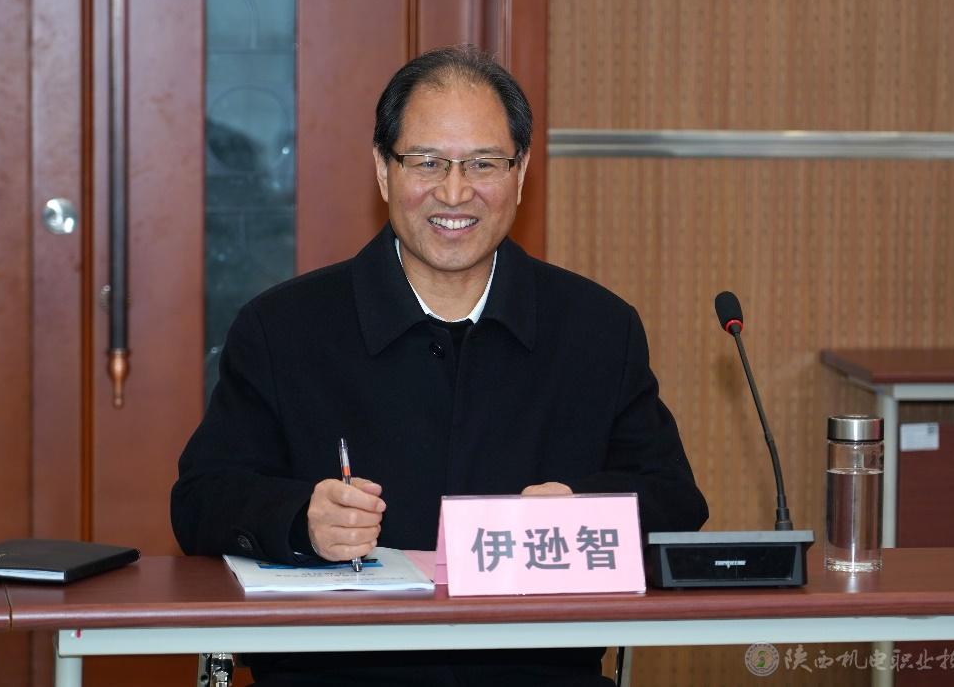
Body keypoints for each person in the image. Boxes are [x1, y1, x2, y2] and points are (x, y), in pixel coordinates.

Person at [172, 44, 707, 686]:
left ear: (521, 172)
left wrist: (580, 508)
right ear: (383, 170)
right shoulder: (283, 328)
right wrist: (300, 519)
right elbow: (201, 499)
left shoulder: (597, 329)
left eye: (483, 164)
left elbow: (676, 503)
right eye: (427, 162)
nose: (455, 192)